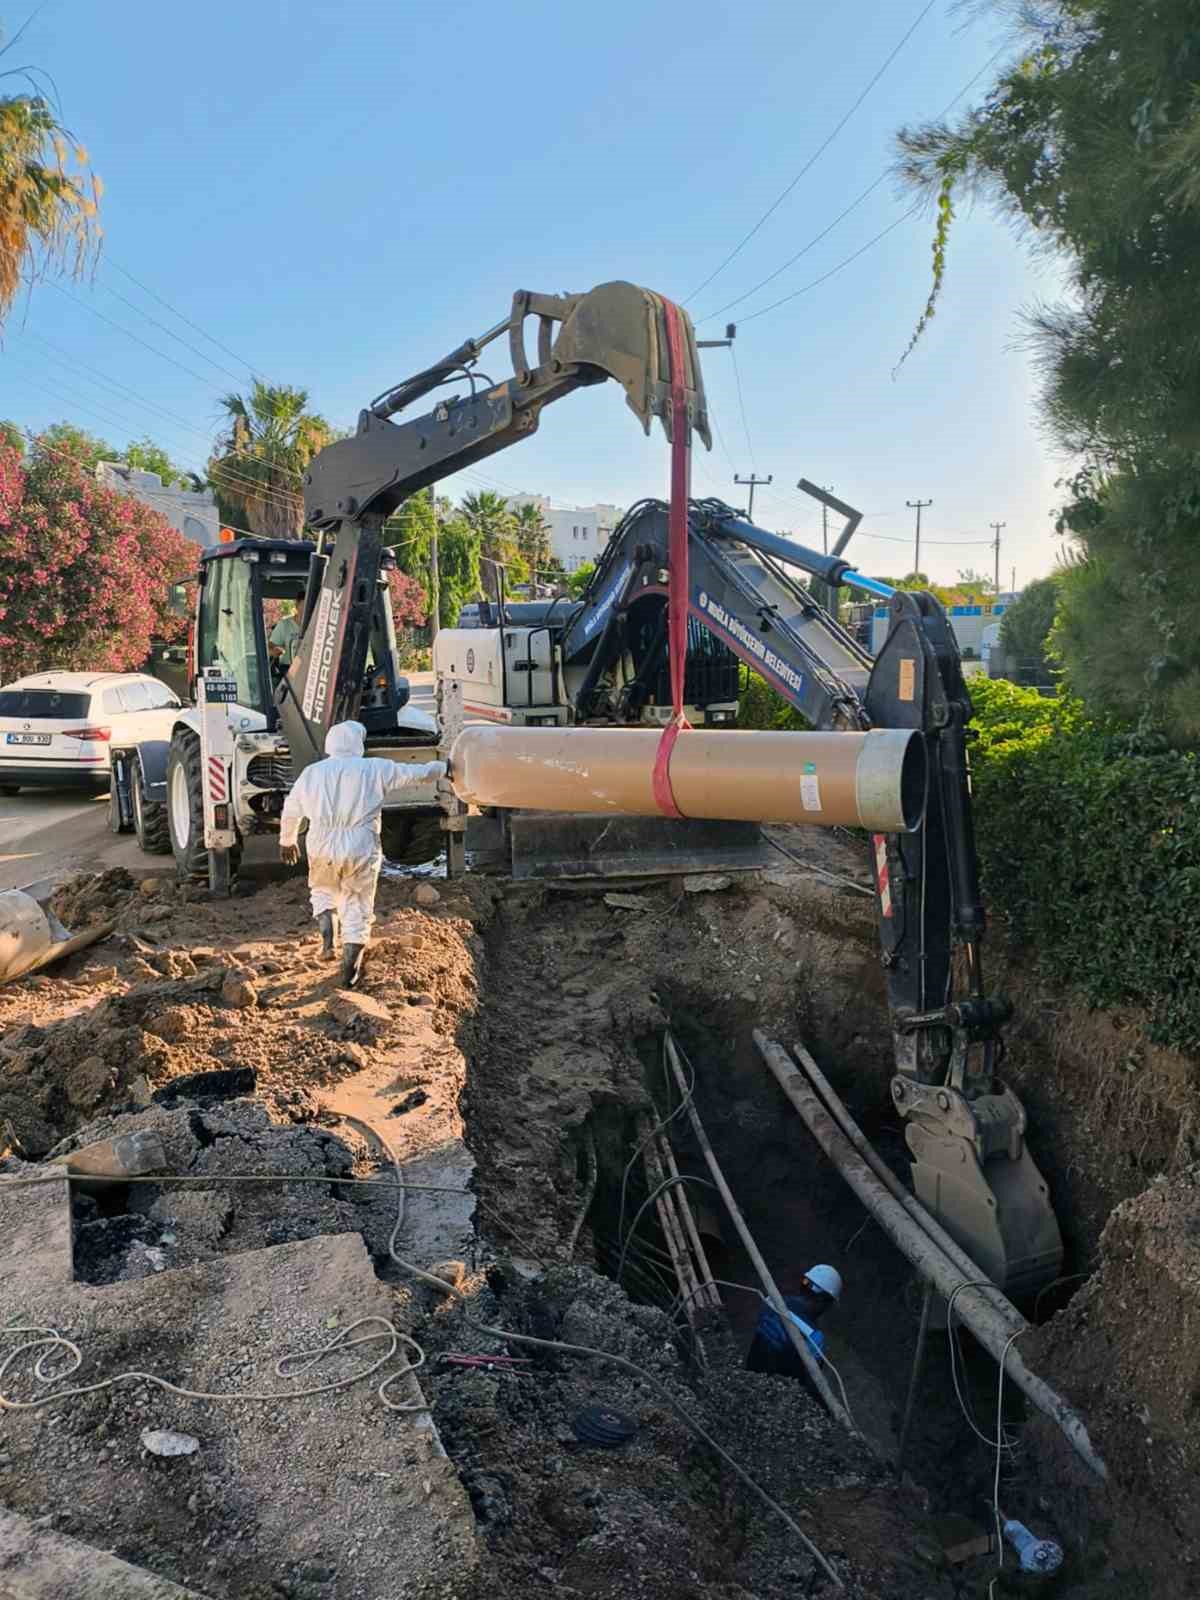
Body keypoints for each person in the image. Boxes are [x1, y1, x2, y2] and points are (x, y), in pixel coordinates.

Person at [279, 721, 448, 988]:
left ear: (330, 744)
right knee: (356, 904)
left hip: (321, 842)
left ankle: (326, 940)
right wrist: (444, 768)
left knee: (323, 890)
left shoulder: (312, 773)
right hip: (359, 843)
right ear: (358, 743)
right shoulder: (374, 768)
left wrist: (287, 840)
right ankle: (350, 973)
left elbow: (291, 809)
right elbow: (416, 774)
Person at [745, 1264, 842, 1385]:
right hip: (777, 1390)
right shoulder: (815, 1337)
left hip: (749, 1374)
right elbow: (812, 1378)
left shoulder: (774, 1301)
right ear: (823, 1301)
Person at [268, 602, 301, 667]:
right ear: (297, 606)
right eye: (303, 605)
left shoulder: (316, 624)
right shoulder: (284, 624)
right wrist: (275, 650)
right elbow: (269, 648)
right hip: (288, 667)